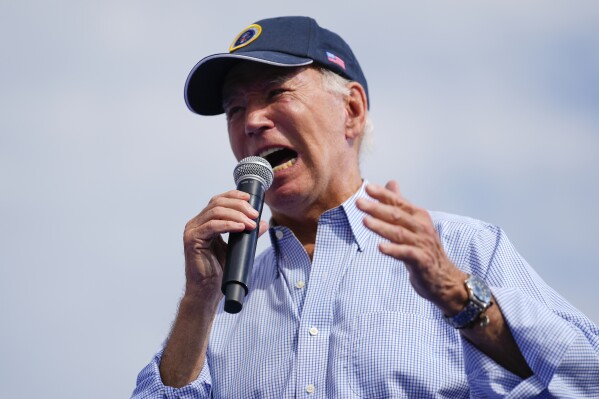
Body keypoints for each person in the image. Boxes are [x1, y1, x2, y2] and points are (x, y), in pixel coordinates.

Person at [132, 16, 599, 398]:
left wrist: (460, 298)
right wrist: (198, 301)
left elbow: (587, 377)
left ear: (351, 110)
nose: (252, 121)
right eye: (234, 109)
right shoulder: (220, 299)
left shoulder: (462, 250)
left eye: (276, 94)